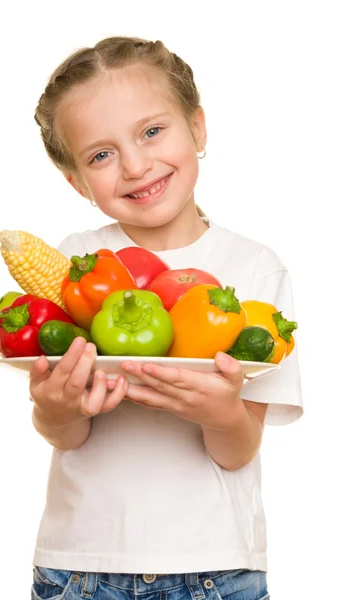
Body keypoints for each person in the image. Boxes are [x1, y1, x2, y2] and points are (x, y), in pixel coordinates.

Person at [29, 36, 303, 600]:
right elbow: (69, 434)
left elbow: (240, 449)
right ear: (77, 181)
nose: (135, 165)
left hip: (215, 569)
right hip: (81, 566)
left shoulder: (254, 268)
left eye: (152, 131)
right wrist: (52, 408)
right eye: (100, 155)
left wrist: (222, 412)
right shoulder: (76, 265)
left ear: (198, 128)